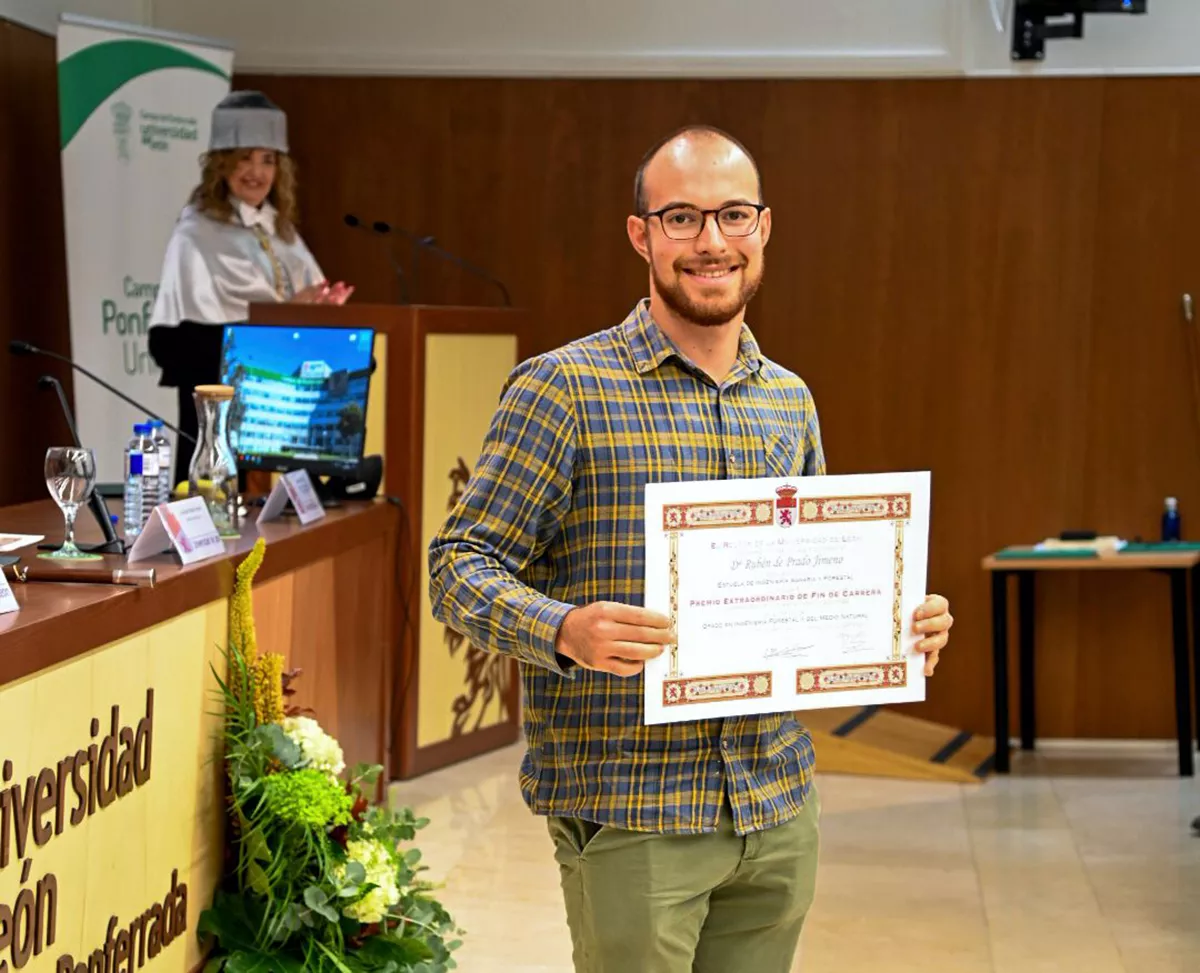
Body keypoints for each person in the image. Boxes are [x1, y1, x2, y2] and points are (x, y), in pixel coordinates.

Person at [427, 125, 954, 973]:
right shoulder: (564, 388)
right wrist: (565, 629)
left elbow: (816, 579)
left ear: (764, 229)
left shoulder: (789, 400)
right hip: (633, 809)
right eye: (682, 218)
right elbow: (457, 565)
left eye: (733, 216)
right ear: (642, 234)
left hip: (776, 804)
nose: (711, 242)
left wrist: (898, 621)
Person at [149, 90, 353, 484]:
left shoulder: (280, 230)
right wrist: (287, 310)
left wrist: (320, 310)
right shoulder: (196, 233)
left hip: (279, 402)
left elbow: (297, 307)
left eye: (268, 160)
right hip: (220, 400)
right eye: (244, 158)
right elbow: (180, 340)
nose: (256, 172)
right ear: (220, 165)